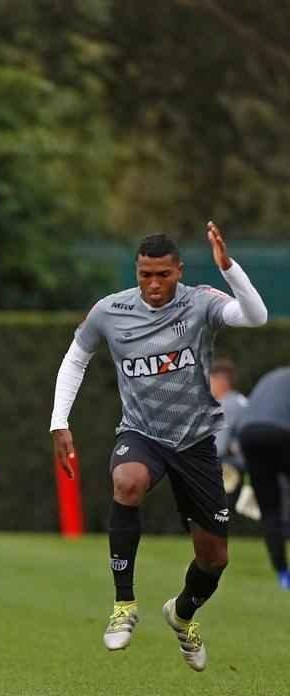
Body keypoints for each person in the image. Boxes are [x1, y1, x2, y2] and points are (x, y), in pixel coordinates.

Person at [50, 222, 268, 671]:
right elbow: (76, 357)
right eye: (145, 275)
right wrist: (59, 421)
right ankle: (124, 605)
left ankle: (182, 613)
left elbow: (255, 316)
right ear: (137, 272)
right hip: (142, 433)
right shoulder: (110, 310)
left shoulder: (201, 302)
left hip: (196, 441)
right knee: (126, 482)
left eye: (163, 275)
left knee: (214, 558)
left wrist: (229, 268)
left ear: (179, 271)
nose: (153, 284)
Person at [236, 366, 290, 589]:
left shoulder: (271, 376)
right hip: (281, 433)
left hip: (248, 435)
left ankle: (283, 574)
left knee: (269, 509)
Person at [208, 358, 248, 506]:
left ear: (221, 381)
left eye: (210, 381)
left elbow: (218, 448)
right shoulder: (240, 400)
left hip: (236, 469)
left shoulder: (226, 405)